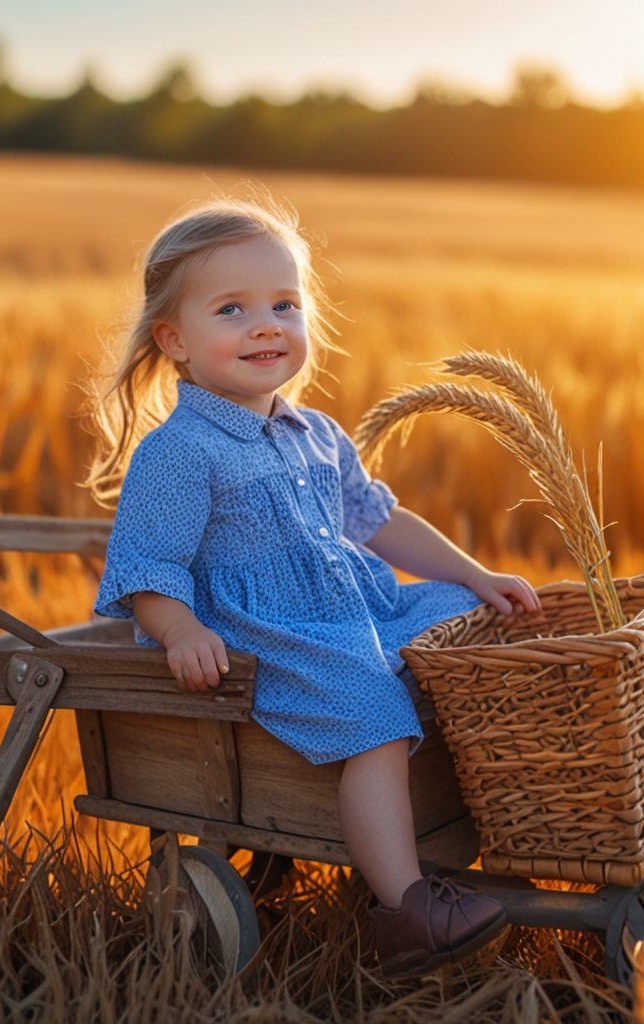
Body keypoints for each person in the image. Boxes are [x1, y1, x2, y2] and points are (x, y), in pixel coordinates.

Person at [88, 196, 542, 979]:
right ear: (176, 341)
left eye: (284, 304)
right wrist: (182, 632)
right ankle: (404, 908)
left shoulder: (314, 433)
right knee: (375, 711)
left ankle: (484, 820)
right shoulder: (180, 452)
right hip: (267, 636)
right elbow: (148, 571)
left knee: (464, 618)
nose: (267, 325)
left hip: (348, 609)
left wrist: (470, 574)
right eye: (232, 309)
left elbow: (380, 523)